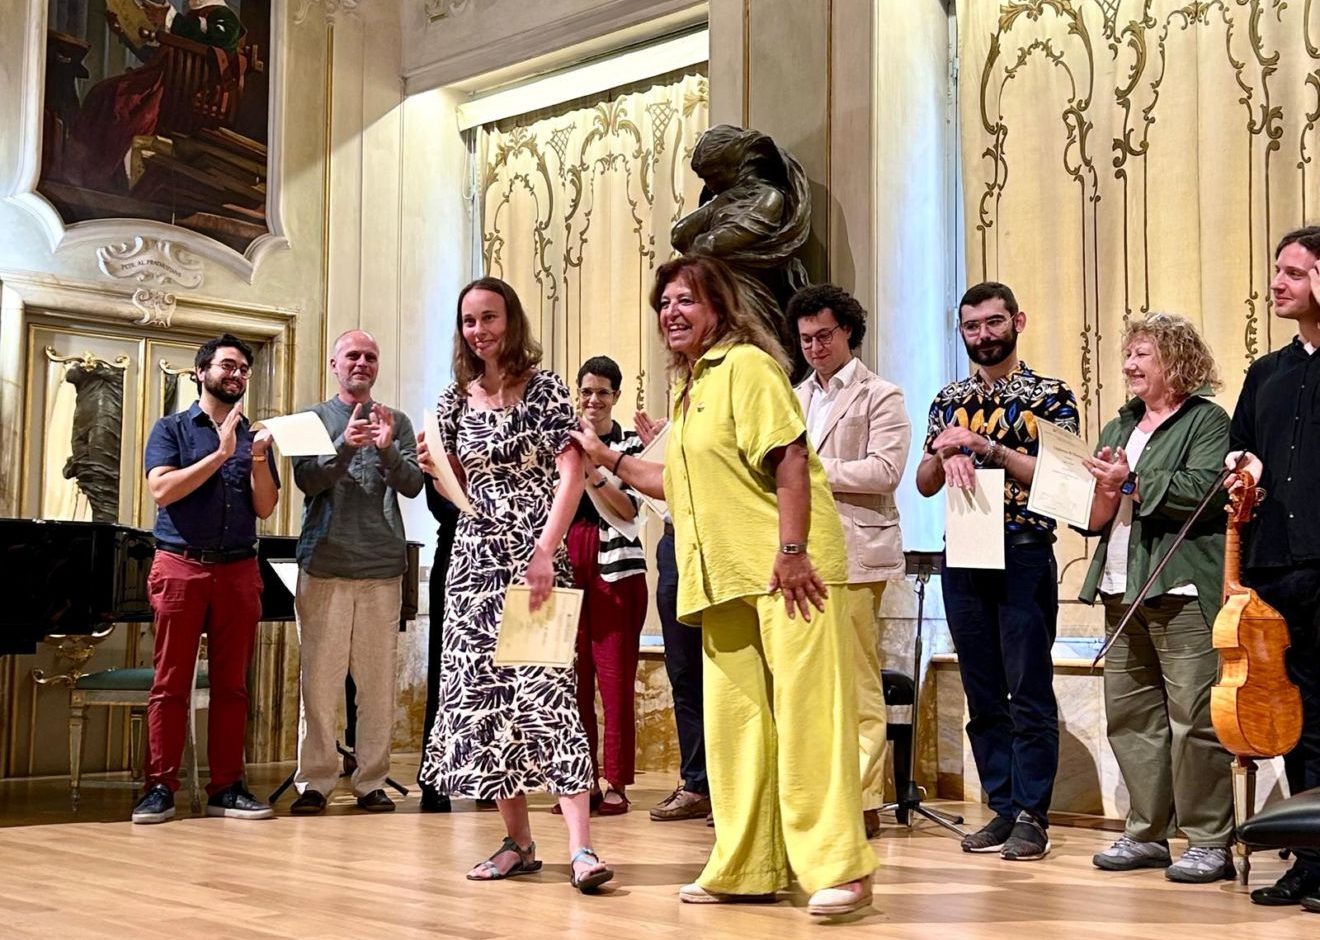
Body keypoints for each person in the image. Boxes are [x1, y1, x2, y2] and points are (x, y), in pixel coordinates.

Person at [573, 254, 876, 916]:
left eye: (686, 299)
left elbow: (789, 457)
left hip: (786, 571)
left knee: (809, 718)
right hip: (724, 580)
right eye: (664, 303)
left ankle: (841, 869)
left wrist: (793, 550)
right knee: (735, 727)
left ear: (719, 307)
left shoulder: (747, 365)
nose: (672, 312)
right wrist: (606, 457)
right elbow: (674, 482)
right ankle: (746, 866)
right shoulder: (694, 387)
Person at [417, 276, 613, 894]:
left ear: (512, 321)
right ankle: (519, 844)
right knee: (485, 701)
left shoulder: (545, 388)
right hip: (474, 564)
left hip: (537, 555)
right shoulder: (453, 401)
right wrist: (434, 469)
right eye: (469, 320)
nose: (480, 330)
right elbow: (453, 486)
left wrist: (547, 550)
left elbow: (571, 475)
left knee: (548, 695)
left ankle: (581, 848)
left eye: (490, 317)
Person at [915, 281, 1078, 861]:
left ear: (1017, 322)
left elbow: (1061, 480)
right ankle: (1003, 807)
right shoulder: (948, 398)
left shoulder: (1050, 395)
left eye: (993, 322)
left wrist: (987, 449)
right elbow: (923, 484)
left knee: (1027, 688)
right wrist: (943, 454)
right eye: (971, 326)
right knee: (982, 691)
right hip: (962, 549)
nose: (982, 335)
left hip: (1023, 548)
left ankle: (1033, 815)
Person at [1076, 313, 1235, 883]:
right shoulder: (1119, 424)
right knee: (1131, 716)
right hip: (1121, 585)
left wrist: (1130, 481)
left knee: (1194, 720)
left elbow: (1204, 490)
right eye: (1128, 354)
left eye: (1143, 354)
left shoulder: (1206, 420)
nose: (1129, 365)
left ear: (1176, 360)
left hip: (1181, 588)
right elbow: (1097, 515)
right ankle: (1146, 833)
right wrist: (1102, 487)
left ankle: (1209, 840)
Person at [133, 333, 278, 823]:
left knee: (232, 686)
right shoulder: (172, 428)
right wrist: (219, 454)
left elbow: (266, 506)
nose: (236, 375)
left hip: (238, 568)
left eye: (243, 370)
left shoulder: (254, 436)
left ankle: (227, 788)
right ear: (201, 372)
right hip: (181, 565)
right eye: (228, 366)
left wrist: (256, 458)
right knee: (171, 683)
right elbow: (162, 490)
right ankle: (159, 787)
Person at [789, 284, 911, 839]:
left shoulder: (880, 394)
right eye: (806, 339)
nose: (815, 348)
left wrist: (809, 470)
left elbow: (885, 472)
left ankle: (863, 799)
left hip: (858, 554)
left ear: (848, 333)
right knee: (810, 682)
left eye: (824, 336)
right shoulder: (794, 396)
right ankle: (819, 794)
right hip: (803, 555)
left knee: (859, 680)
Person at [288, 330, 425, 815]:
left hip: (381, 569)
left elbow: (413, 485)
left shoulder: (397, 421)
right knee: (319, 684)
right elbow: (307, 480)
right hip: (324, 565)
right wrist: (344, 446)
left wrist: (388, 450)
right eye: (353, 355)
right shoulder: (310, 420)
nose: (362, 363)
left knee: (377, 684)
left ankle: (371, 782)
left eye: (370, 356)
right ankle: (317, 781)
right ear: (335, 364)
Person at [1227, 226, 1320, 910]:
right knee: (1294, 715)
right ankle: (1310, 859)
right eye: (1277, 270)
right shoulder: (1266, 371)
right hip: (1276, 564)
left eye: (1292, 272)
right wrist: (1242, 473)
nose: (1276, 283)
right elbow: (1241, 449)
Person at [558, 356, 647, 815]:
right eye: (587, 392)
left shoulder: (629, 446)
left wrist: (594, 468)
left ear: (616, 396)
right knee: (570, 680)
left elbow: (630, 509)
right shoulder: (560, 442)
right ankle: (579, 781)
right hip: (567, 558)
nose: (594, 400)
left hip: (618, 566)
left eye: (603, 393)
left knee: (615, 679)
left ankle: (616, 780)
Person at [638, 410, 712, 825]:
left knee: (728, 674)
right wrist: (659, 448)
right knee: (683, 672)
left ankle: (736, 791)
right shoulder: (684, 411)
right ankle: (696, 784)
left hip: (716, 541)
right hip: (673, 543)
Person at [418, 487, 460, 813]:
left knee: (500, 674)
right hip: (455, 557)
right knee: (444, 672)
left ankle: (494, 775)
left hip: (506, 559)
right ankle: (434, 778)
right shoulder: (443, 448)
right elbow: (443, 507)